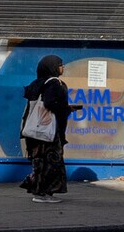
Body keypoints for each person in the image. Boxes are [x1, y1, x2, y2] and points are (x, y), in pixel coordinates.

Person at [20, 54, 82, 202]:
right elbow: (49, 103)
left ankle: (38, 193)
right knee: (51, 162)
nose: (63, 67)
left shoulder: (37, 83)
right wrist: (67, 108)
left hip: (35, 131)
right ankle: (46, 194)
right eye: (60, 64)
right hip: (49, 132)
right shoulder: (54, 83)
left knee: (39, 162)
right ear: (53, 67)